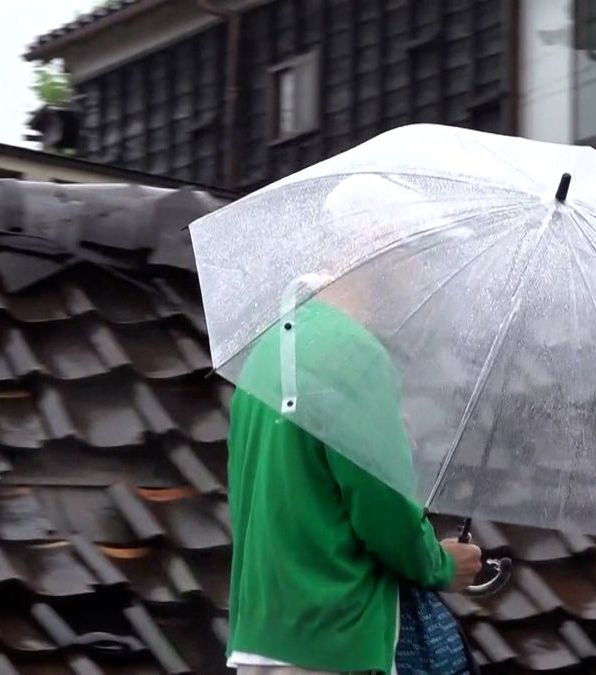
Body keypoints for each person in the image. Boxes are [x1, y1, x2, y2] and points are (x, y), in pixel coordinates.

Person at [225, 177, 483, 675]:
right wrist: (445, 564)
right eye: (417, 258)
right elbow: (384, 517)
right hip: (336, 644)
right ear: (378, 251)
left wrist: (379, 433)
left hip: (262, 639)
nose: (422, 278)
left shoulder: (269, 349)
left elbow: (293, 488)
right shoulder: (356, 356)